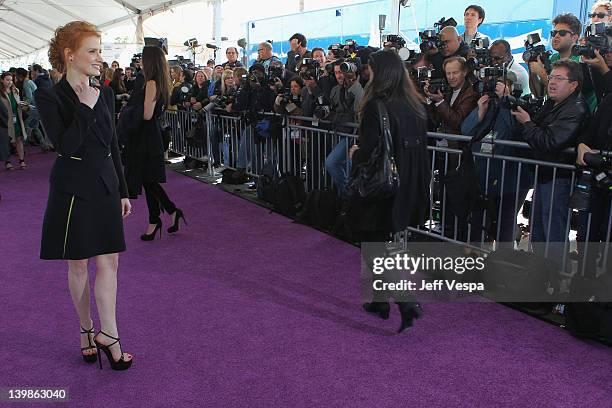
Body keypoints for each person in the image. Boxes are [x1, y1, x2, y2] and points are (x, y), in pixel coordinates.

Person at [34, 21, 133, 370]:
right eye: (92, 51)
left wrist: (122, 189)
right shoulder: (48, 95)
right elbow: (64, 145)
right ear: (69, 54)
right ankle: (85, 327)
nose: (99, 58)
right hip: (72, 189)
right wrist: (85, 107)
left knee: (110, 261)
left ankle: (110, 334)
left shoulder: (104, 91)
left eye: (100, 50)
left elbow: (112, 146)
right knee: (78, 264)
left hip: (105, 186)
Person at [348, 49, 430, 333]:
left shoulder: (377, 105)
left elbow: (370, 150)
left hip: (381, 187)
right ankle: (380, 302)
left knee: (373, 248)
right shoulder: (415, 104)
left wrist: (355, 154)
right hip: (406, 185)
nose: (366, 73)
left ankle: (406, 301)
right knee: (382, 244)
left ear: (379, 72)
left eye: (370, 68)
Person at [511, 60, 590, 267]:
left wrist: (527, 123)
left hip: (560, 178)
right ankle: (539, 274)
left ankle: (555, 280)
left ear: (574, 85)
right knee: (538, 228)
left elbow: (549, 141)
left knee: (553, 231)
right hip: (545, 173)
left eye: (559, 78)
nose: (552, 82)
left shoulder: (576, 109)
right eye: (551, 77)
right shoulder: (553, 103)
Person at [125, 45, 186, 241]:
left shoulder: (151, 83)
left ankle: (159, 218)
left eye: (142, 58)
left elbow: (147, 114)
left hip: (147, 137)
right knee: (148, 180)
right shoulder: (155, 81)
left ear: (149, 60)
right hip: (148, 136)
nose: (139, 61)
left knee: (148, 180)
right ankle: (166, 214)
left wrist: (128, 111)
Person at [0, 72, 28, 169]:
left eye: (11, 80)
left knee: (19, 139)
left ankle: (22, 160)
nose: (9, 82)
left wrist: (22, 105)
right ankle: (8, 162)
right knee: (6, 140)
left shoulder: (16, 90)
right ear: (2, 80)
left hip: (17, 119)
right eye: (7, 80)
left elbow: (17, 103)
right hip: (4, 120)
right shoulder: (1, 93)